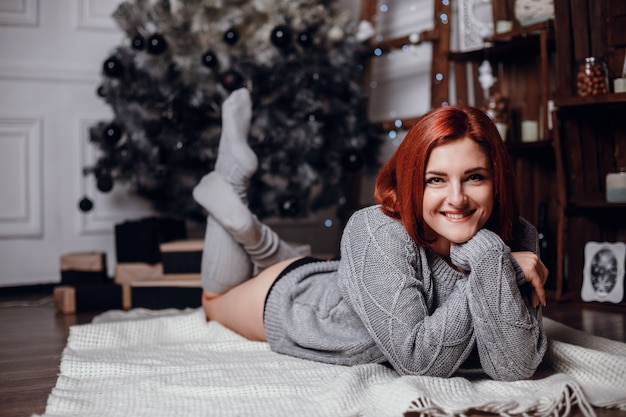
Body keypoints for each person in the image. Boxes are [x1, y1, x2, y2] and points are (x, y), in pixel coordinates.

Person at [192, 88, 549, 382]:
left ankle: (252, 231)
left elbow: (515, 366)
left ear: (496, 180)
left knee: (333, 271)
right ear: (413, 182)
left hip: (352, 279)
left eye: (474, 177)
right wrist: (497, 267)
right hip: (300, 301)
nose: (457, 198)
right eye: (435, 179)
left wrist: (489, 255)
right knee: (213, 301)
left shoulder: (516, 235)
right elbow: (421, 362)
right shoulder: (376, 228)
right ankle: (234, 188)